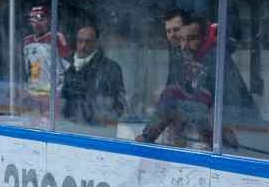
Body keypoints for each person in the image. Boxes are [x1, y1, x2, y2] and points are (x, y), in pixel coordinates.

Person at [137, 17, 252, 149]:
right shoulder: (185, 61)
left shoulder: (218, 60)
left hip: (241, 134)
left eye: (191, 39)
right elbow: (168, 101)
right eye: (182, 39)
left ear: (204, 37)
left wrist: (210, 141)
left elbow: (226, 107)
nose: (185, 45)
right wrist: (149, 134)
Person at [60, 26, 126, 126]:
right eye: (80, 41)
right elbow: (62, 97)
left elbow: (119, 101)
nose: (83, 46)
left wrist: (102, 122)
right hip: (70, 128)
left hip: (99, 131)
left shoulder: (111, 67)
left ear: (96, 43)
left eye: (88, 41)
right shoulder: (67, 65)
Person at [23, 6, 71, 125]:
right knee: (34, 128)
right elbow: (27, 71)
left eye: (41, 19)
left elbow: (68, 66)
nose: (37, 23)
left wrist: (63, 92)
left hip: (54, 96)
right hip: (34, 96)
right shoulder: (27, 42)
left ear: (49, 20)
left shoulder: (57, 38)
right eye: (34, 20)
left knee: (53, 127)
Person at [162, 8, 191, 87]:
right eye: (168, 31)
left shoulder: (195, 54)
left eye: (176, 29)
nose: (172, 35)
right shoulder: (177, 54)